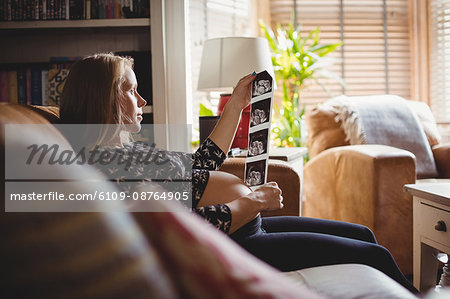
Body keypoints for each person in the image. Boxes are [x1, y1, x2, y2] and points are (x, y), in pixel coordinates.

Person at [60, 53, 417, 294]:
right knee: (376, 256)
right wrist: (253, 201)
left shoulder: (125, 150)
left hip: (248, 228)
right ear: (104, 98)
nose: (142, 101)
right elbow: (185, 228)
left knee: (364, 234)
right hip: (236, 243)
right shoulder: (105, 167)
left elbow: (203, 164)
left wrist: (236, 105)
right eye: (131, 91)